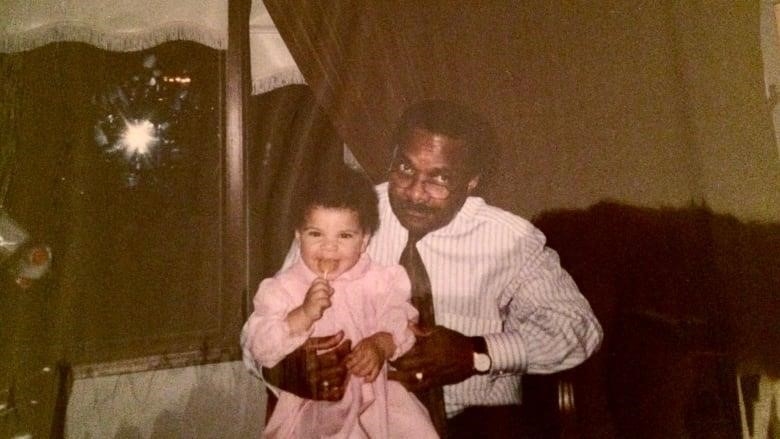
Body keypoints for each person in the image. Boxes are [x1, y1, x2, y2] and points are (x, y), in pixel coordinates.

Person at [245, 99, 603, 438]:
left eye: (440, 179)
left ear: (472, 181)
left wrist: (476, 353)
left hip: (475, 420)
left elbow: (579, 329)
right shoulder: (340, 220)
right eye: (405, 169)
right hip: (360, 420)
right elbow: (259, 329)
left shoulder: (509, 240)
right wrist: (284, 369)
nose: (415, 193)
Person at [242, 167, 439, 438]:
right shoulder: (283, 288)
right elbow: (260, 346)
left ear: (364, 240)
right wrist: (303, 314)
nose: (329, 248)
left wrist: (381, 344)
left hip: (379, 402)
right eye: (316, 234)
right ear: (298, 235)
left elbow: (402, 322)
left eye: (344, 236)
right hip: (316, 405)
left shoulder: (380, 280)